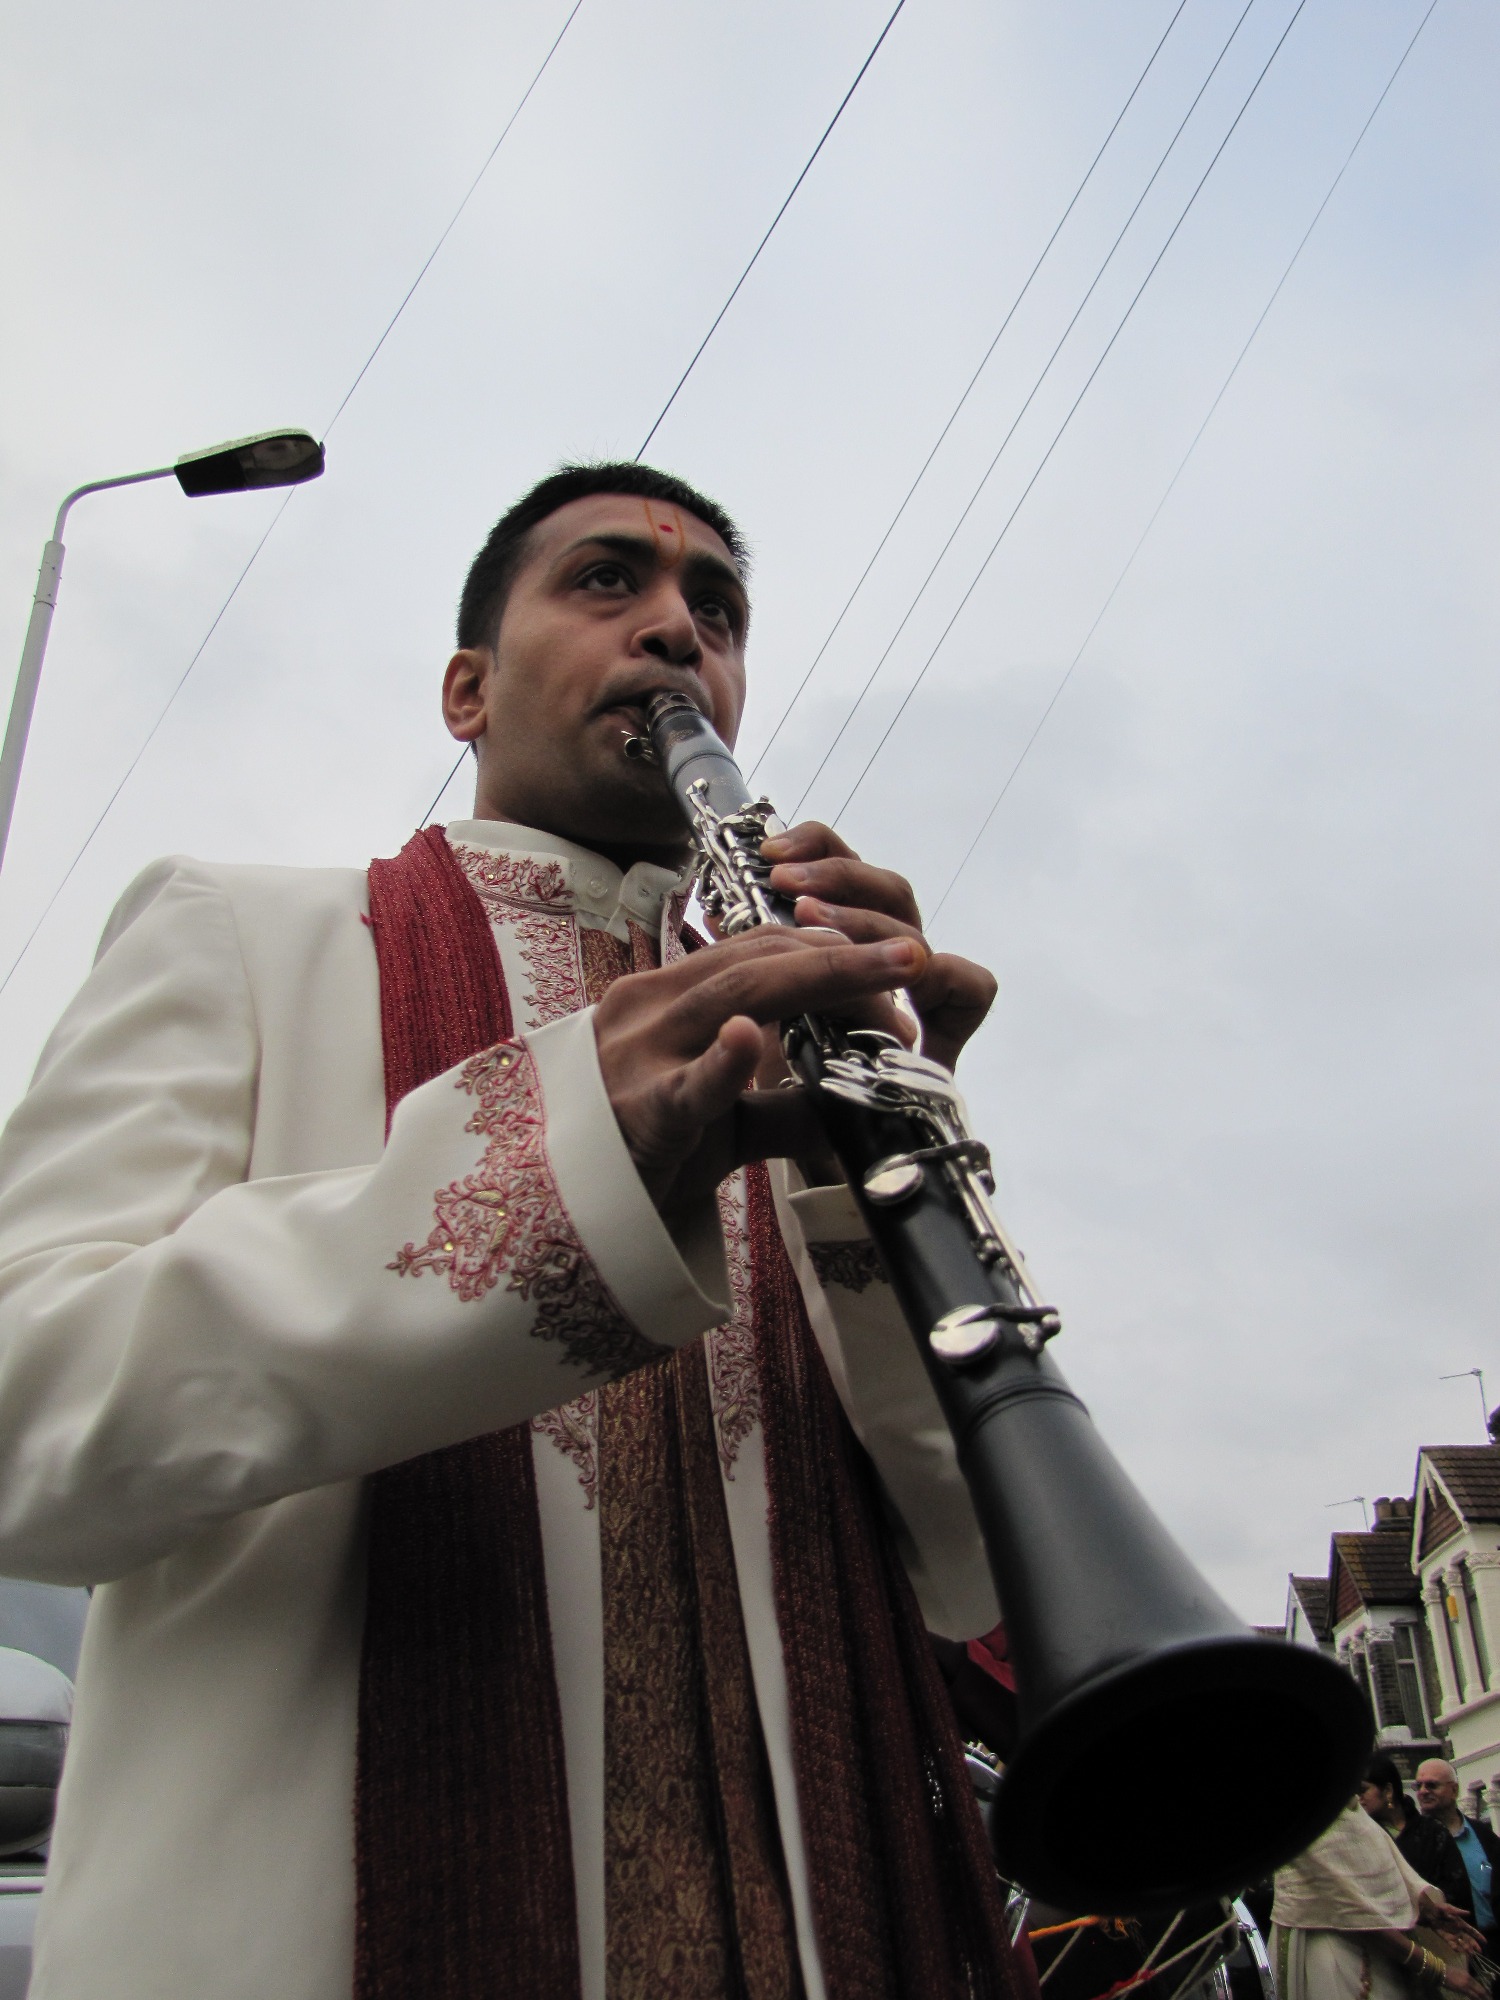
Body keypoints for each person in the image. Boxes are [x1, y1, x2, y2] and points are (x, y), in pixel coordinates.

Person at [0, 463, 1035, 2000]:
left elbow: (970, 1577)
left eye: (718, 613)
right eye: (607, 582)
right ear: (465, 691)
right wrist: (557, 1173)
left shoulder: (824, 1051)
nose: (681, 630)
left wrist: (893, 1173)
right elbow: (25, 1428)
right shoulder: (243, 934)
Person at [1272, 1798, 1485, 1999]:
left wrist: (1428, 1911)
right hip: (1332, 1954)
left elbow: (1384, 1871)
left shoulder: (1348, 1808)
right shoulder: (1314, 1814)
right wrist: (1438, 1971)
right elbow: (1356, 1912)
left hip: (1379, 1954)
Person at [1361, 1753, 1474, 1919]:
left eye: (1363, 1790)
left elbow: (1458, 1889)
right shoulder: (1363, 1837)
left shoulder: (1432, 1832)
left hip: (1444, 1931)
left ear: (1388, 1791)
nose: (1358, 1798)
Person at [1415, 1759, 1500, 1960]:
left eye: (1432, 1785)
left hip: (1494, 1942)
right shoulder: (1414, 1842)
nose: (1423, 1791)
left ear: (1454, 1790)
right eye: (1418, 1786)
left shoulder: (1483, 1836)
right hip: (1450, 1950)